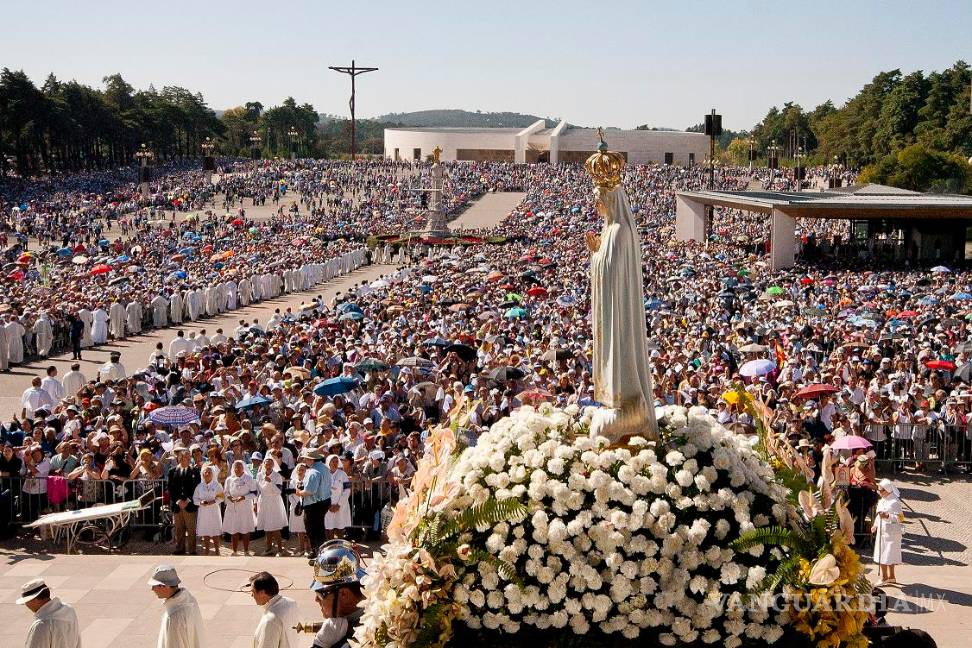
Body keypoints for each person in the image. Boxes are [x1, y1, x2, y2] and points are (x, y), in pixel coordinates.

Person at [308, 540, 366, 648]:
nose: (316, 599)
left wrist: (319, 645)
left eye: (321, 594)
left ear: (344, 594)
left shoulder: (369, 637)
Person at [149, 564, 204, 648]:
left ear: (165, 586)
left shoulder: (173, 618)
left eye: (154, 586)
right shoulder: (190, 599)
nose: (152, 589)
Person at [17, 578, 81, 648]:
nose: (26, 605)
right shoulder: (69, 610)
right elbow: (78, 641)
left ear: (35, 600)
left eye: (26, 602)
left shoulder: (41, 625)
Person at [249, 571, 300, 648]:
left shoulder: (271, 620)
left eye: (253, 591)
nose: (251, 595)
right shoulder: (291, 602)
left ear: (262, 592)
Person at [167, 447, 200, 555]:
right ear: (179, 458)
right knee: (179, 528)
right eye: (184, 457)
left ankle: (192, 549)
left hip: (189, 504)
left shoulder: (195, 471)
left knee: (191, 528)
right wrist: (177, 501)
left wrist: (188, 500)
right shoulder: (172, 471)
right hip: (177, 505)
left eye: (188, 457)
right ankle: (179, 548)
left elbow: (197, 487)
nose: (187, 459)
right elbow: (170, 488)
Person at [872, 478, 904, 586]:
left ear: (888, 490)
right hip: (882, 531)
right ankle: (891, 577)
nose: (879, 492)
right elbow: (879, 515)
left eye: (882, 490)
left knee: (887, 555)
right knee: (885, 554)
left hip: (892, 533)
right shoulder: (882, 500)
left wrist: (888, 516)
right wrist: (875, 525)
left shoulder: (895, 502)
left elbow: (901, 518)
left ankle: (884, 577)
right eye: (879, 490)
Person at [223, 459, 257, 556]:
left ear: (243, 467)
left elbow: (254, 493)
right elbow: (226, 492)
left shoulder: (249, 479)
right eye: (236, 467)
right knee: (234, 530)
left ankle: (246, 551)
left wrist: (243, 497)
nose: (237, 469)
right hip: (233, 508)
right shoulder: (229, 479)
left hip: (245, 508)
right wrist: (230, 497)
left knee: (245, 530)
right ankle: (234, 551)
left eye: (239, 467)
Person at [256, 456, 288, 556]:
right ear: (264, 465)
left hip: (274, 503)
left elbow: (278, 491)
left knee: (275, 528)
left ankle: (280, 550)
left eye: (270, 464)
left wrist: (270, 482)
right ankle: (269, 548)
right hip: (263, 502)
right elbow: (258, 491)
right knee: (267, 528)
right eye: (266, 463)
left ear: (273, 465)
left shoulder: (277, 476)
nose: (268, 465)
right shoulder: (259, 475)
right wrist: (255, 503)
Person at [192, 465, 224, 555]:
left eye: (209, 472)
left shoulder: (217, 485)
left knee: (215, 531)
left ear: (212, 474)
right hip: (203, 512)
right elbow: (195, 499)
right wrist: (200, 502)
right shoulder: (199, 486)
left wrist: (213, 501)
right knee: (205, 530)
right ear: (202, 474)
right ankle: (206, 550)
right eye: (205, 472)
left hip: (214, 511)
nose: (207, 474)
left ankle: (217, 550)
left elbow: (222, 497)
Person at [324, 454, 351, 540]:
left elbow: (347, 490)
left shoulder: (343, 474)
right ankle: (330, 546)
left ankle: (340, 545)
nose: (335, 463)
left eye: (336, 461)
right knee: (328, 527)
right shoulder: (324, 474)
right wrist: (328, 505)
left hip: (341, 505)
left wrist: (338, 505)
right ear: (328, 462)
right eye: (333, 461)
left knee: (340, 527)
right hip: (328, 506)